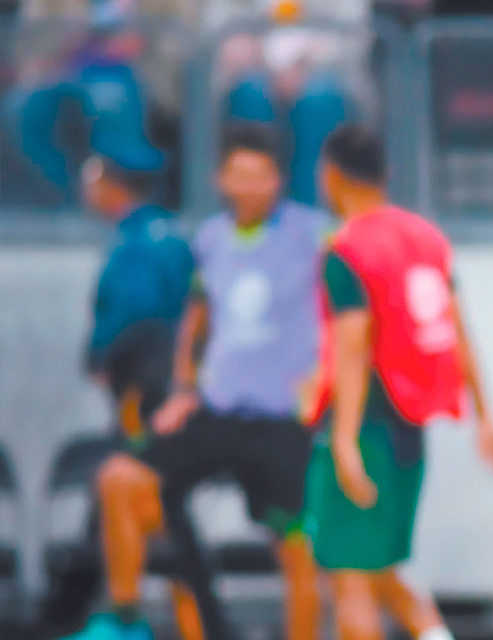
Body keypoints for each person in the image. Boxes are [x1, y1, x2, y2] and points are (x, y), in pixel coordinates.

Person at [65, 124, 332, 640]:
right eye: (239, 176)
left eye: (261, 176)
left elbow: (354, 281)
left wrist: (325, 377)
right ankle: (127, 621)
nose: (249, 187)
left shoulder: (310, 232)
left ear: (277, 180)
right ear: (221, 179)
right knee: (122, 479)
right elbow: (195, 317)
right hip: (217, 412)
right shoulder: (209, 239)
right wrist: (185, 386)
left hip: (281, 419)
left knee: (297, 550)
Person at [300, 123, 493, 640]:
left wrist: (343, 441)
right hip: (409, 434)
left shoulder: (347, 249)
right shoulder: (425, 238)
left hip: (366, 425)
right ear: (384, 174)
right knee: (387, 569)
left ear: (329, 177)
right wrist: (486, 417)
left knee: (352, 582)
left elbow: (353, 347)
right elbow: (460, 333)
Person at [63, 151, 203, 640]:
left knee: (145, 502)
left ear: (111, 182)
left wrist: (103, 359)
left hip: (143, 397)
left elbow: (138, 322)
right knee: (142, 502)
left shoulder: (136, 245)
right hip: (165, 394)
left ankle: (139, 620)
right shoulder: (167, 234)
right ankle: (103, 612)